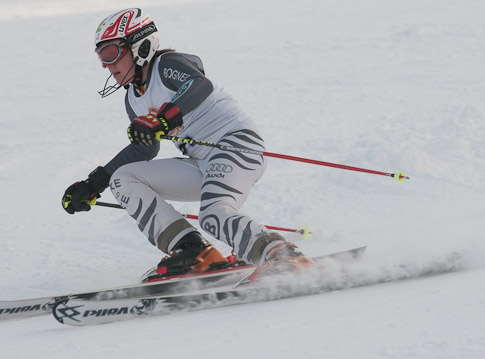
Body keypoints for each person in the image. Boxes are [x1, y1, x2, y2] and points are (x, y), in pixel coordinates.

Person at [61, 8, 314, 282]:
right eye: (101, 57)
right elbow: (143, 150)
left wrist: (162, 120)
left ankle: (281, 254)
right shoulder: (133, 98)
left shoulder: (167, 64)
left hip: (235, 146)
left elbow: (198, 84)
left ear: (139, 46)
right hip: (200, 163)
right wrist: (94, 184)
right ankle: (193, 252)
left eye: (111, 53)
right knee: (124, 179)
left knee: (213, 214)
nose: (106, 64)